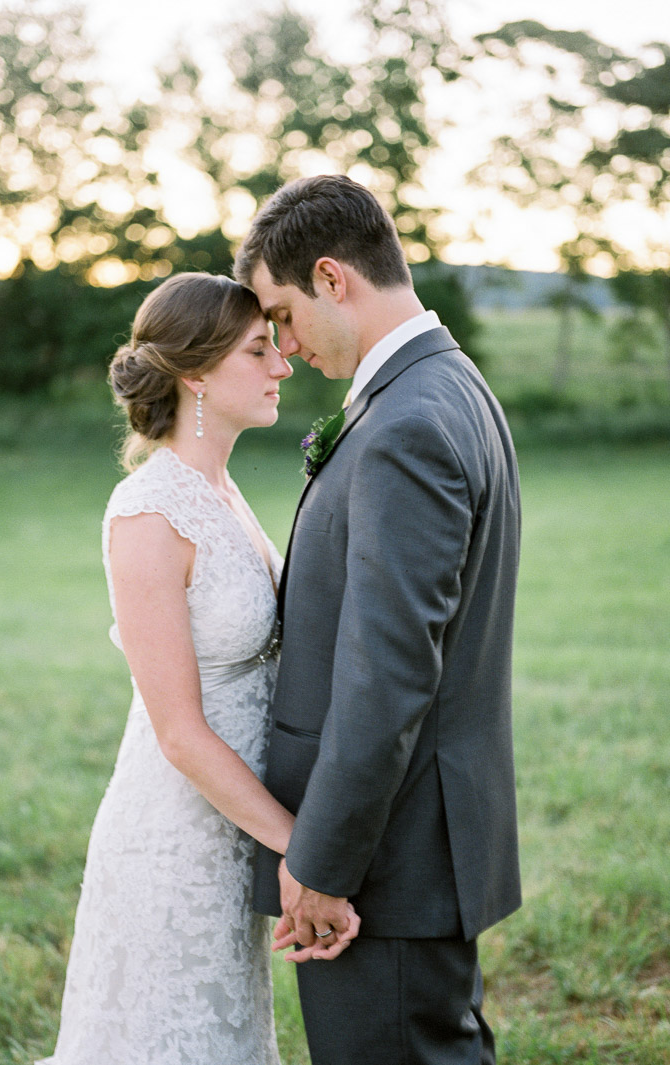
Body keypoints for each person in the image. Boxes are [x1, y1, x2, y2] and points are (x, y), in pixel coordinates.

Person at [234, 174, 522, 1065]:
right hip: (421, 846)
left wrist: (321, 864)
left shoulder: (405, 425)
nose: (282, 344)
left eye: (281, 313)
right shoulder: (451, 386)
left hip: (386, 863)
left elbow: (388, 676)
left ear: (330, 277)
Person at [37, 272, 358, 1065]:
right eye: (258, 350)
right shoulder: (149, 512)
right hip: (174, 835)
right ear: (195, 373)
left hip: (232, 823)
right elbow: (179, 733)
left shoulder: (221, 489)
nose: (283, 363)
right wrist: (300, 849)